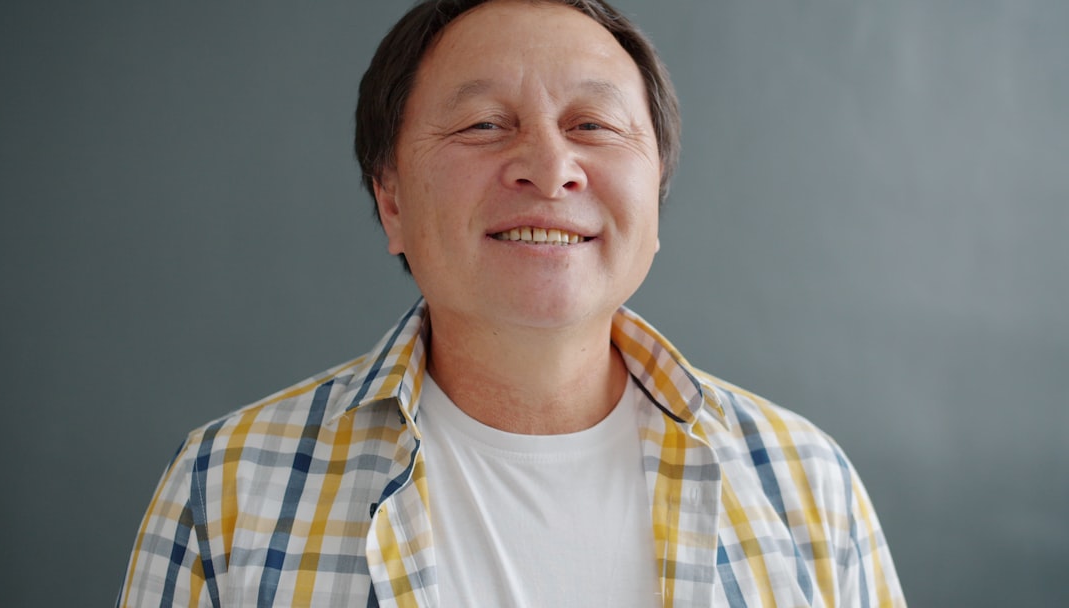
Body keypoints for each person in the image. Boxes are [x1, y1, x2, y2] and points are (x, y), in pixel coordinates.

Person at [117, 0, 906, 606]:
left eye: (593, 125)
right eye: (484, 123)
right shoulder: (226, 486)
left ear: (656, 198)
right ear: (390, 200)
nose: (550, 167)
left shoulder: (805, 483)